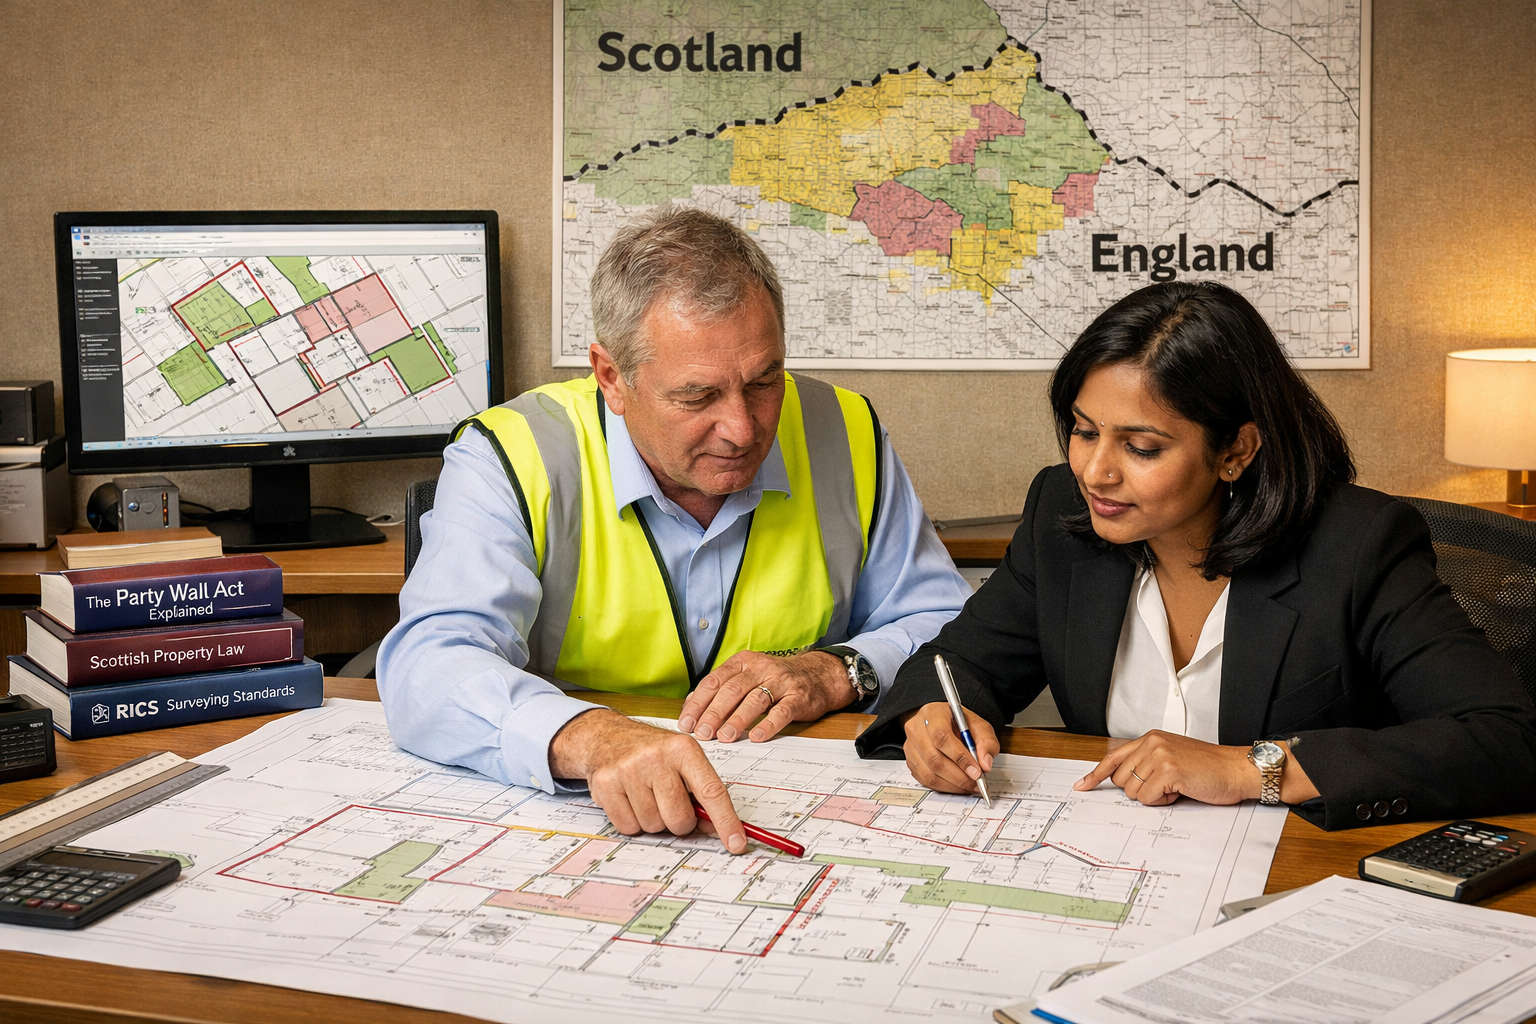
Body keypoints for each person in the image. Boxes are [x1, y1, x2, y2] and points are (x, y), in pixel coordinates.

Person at [379, 205, 971, 853]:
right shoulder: (511, 454)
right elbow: (429, 664)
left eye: (765, 381)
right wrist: (589, 737)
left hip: (803, 807)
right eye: (697, 397)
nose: (744, 429)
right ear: (612, 377)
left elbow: (946, 619)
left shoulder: (846, 429)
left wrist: (838, 671)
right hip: (580, 811)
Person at [857, 280, 1536, 830]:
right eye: (1085, 431)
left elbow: (1510, 739)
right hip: (1119, 858)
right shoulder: (1062, 515)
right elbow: (958, 663)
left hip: (1291, 878)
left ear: (1236, 450)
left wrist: (1251, 768)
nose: (1096, 472)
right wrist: (931, 717)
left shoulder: (1358, 544)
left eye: (1141, 447)